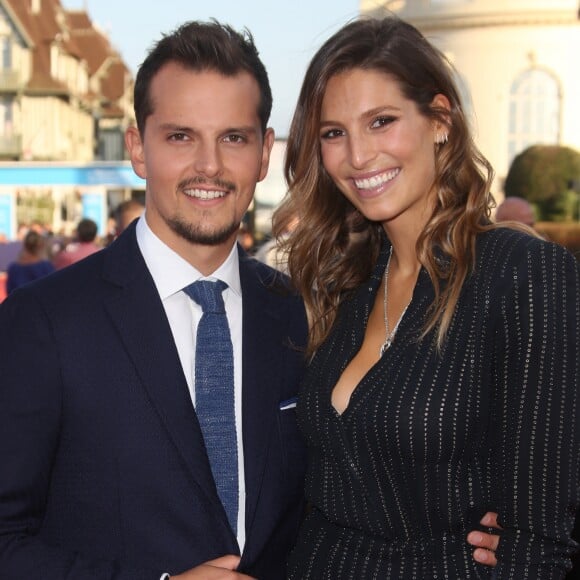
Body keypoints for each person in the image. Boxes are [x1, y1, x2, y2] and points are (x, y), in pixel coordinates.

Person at [274, 16, 580, 578]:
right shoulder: (344, 279)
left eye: (381, 122)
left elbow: (539, 542)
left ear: (440, 119)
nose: (358, 156)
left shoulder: (523, 276)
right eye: (333, 132)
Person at [0, 21, 307, 579]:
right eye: (181, 136)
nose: (209, 165)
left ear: (265, 153)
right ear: (139, 147)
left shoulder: (295, 313)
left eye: (233, 137)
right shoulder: (43, 322)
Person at [6, 229, 55, 294]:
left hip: (20, 303)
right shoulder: (46, 267)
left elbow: (10, 292)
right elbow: (53, 290)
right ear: (40, 246)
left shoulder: (13, 268)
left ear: (25, 245)